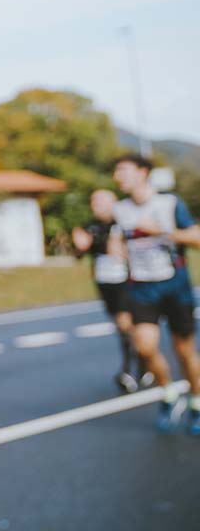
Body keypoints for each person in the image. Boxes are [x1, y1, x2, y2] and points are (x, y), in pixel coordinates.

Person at [110, 153, 200, 434]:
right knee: (145, 347)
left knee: (184, 350)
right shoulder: (121, 209)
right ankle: (169, 395)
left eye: (123, 170)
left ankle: (196, 403)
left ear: (142, 172)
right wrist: (116, 247)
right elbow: (118, 237)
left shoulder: (169, 203)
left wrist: (160, 230)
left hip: (175, 286)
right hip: (142, 288)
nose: (118, 177)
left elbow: (196, 237)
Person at [71, 189, 140, 392]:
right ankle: (141, 363)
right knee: (122, 326)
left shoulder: (124, 223)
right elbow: (79, 254)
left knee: (126, 324)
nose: (96, 205)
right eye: (93, 201)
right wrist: (80, 247)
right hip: (104, 281)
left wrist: (123, 252)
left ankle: (129, 370)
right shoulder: (89, 226)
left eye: (100, 200)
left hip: (125, 280)